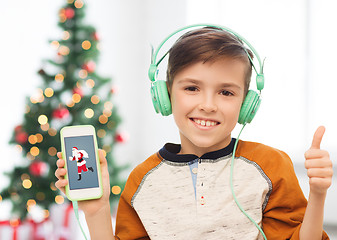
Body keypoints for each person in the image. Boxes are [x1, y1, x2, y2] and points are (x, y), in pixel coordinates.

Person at [55, 26, 333, 239]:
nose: (208, 105)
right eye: (191, 88)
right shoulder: (142, 180)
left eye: (226, 92)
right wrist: (97, 210)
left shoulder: (271, 166)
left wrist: (318, 194)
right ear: (164, 95)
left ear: (246, 104)